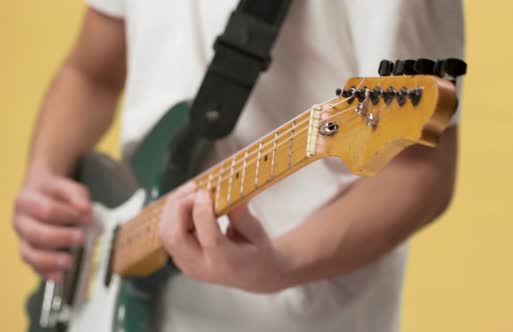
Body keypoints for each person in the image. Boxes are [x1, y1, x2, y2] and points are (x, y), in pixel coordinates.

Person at [12, 1, 464, 331]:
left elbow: (421, 173)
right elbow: (90, 73)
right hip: (104, 293)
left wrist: (282, 264)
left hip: (293, 318)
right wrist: (43, 176)